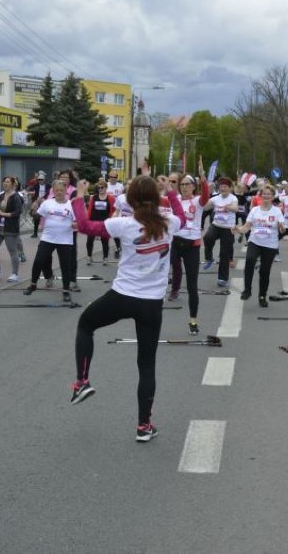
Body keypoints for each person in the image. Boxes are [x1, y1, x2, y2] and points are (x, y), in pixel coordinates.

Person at [68, 176, 186, 443]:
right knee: (147, 365)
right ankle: (144, 426)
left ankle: (82, 382)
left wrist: (79, 197)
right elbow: (184, 218)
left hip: (122, 296)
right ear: (157, 199)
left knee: (86, 324)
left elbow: (85, 226)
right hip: (152, 304)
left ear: (130, 199)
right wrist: (172, 192)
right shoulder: (170, 223)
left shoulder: (124, 224)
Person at [169, 172, 210, 335]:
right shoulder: (175, 200)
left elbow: (206, 195)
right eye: (182, 184)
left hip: (192, 246)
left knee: (192, 285)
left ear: (193, 186)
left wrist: (203, 179)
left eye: (188, 184)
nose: (184, 187)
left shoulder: (197, 201)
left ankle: (193, 320)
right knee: (162, 270)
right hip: (175, 243)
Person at [22, 180, 76, 302]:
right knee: (39, 260)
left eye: (61, 190)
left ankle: (66, 290)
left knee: (65, 265)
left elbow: (77, 221)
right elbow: (36, 216)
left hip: (65, 240)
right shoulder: (47, 203)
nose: (59, 192)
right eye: (57, 190)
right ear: (53, 190)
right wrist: (33, 210)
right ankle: (33, 284)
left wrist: (75, 223)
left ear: (65, 190)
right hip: (48, 238)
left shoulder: (71, 205)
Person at [236, 184, 286, 307]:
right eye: (264, 194)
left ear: (272, 196)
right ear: (260, 195)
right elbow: (246, 227)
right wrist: (238, 229)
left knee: (265, 271)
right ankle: (247, 290)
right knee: (250, 259)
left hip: (270, 245)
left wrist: (282, 228)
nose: (266, 196)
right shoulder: (255, 210)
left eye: (269, 194)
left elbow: (282, 228)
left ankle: (262, 296)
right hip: (255, 241)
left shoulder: (277, 211)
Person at [201, 177, 238, 287]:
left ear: (230, 188)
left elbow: (236, 208)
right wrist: (203, 198)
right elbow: (205, 207)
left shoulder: (233, 198)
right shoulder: (215, 198)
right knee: (207, 238)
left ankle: (223, 278)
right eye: (221, 187)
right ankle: (209, 258)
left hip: (228, 228)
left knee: (224, 254)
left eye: (225, 187)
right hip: (216, 225)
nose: (223, 189)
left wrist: (229, 207)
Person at [0, 176, 23, 282]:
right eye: (4, 182)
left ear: (13, 184)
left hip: (11, 228)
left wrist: (3, 214)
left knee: (12, 251)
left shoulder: (16, 197)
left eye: (8, 182)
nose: (5, 184)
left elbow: (17, 213)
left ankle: (15, 274)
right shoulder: (1, 195)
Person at [85, 179, 115, 265]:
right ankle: (89, 257)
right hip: (93, 222)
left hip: (105, 222)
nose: (100, 189)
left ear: (106, 188)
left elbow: (113, 210)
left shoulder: (110, 198)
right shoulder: (93, 197)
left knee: (104, 240)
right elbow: (90, 210)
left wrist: (111, 220)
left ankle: (105, 258)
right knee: (90, 240)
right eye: (99, 188)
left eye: (102, 187)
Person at [27, 171, 50, 238]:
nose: (40, 181)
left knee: (47, 217)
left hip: (45, 202)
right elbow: (33, 191)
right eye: (39, 179)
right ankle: (35, 233)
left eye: (41, 179)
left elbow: (49, 193)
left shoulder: (48, 185)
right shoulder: (36, 185)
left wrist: (43, 198)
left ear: (44, 180)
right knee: (36, 216)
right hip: (37, 201)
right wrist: (29, 193)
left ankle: (47, 232)